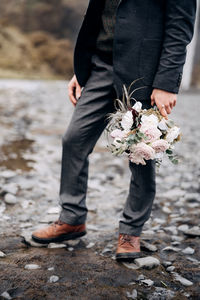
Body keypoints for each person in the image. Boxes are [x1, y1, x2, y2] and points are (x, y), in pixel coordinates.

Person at [32, 0, 196, 260]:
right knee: (74, 139)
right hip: (99, 67)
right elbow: (99, 17)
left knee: (142, 152)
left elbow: (180, 29)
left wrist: (166, 83)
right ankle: (72, 218)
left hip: (145, 72)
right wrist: (81, 70)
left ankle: (131, 231)